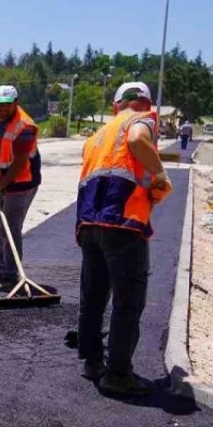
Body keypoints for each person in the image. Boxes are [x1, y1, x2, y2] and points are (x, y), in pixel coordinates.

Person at [76, 81, 173, 396]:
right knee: (127, 301)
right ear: (146, 102)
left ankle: (93, 361)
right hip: (124, 224)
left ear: (115, 105)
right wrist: (160, 175)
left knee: (93, 297)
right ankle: (118, 375)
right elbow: (137, 140)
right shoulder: (140, 120)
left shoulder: (99, 135)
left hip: (89, 223)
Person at [0, 85, 42, 292]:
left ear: (15, 103)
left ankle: (10, 276)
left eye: (7, 105)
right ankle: (2, 268)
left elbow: (19, 163)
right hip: (1, 183)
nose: (2, 109)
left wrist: (1, 187)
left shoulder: (24, 128)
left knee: (10, 230)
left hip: (20, 184)